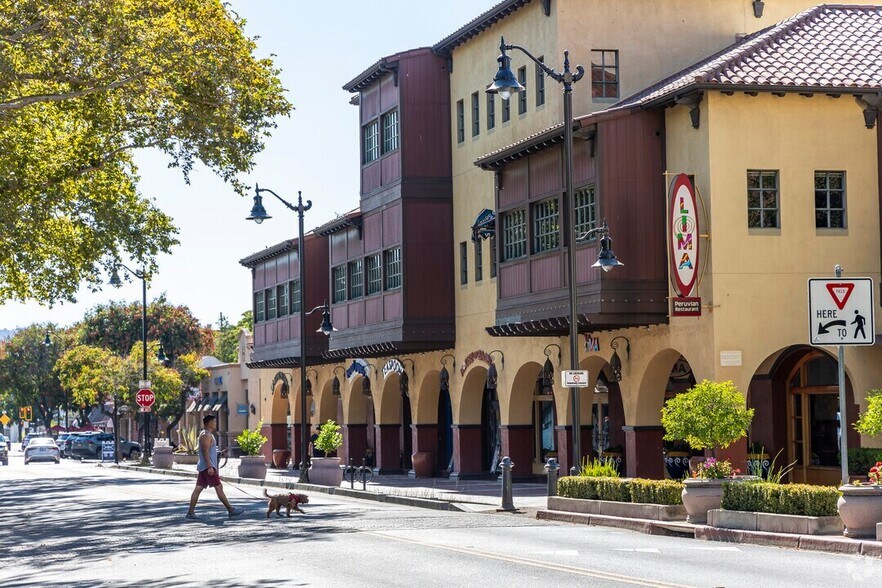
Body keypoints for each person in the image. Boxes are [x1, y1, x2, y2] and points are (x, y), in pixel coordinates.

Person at [186, 414, 243, 519]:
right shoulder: (206, 435)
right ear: (209, 423)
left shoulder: (207, 435)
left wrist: (219, 453)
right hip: (208, 467)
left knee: (198, 488)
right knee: (219, 487)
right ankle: (231, 510)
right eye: (214, 422)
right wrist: (209, 467)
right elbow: (204, 451)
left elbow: (209, 451)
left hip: (205, 466)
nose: (216, 423)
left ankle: (190, 512)